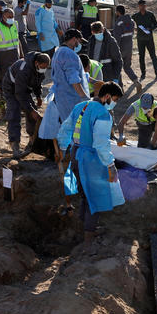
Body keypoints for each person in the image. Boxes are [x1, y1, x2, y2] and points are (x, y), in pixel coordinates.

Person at [57, 81, 125, 253]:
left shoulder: (80, 106)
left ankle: (87, 228)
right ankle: (88, 240)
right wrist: (110, 164)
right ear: (107, 96)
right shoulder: (103, 114)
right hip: (91, 160)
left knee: (84, 194)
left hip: (76, 154)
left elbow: (65, 129)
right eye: (115, 99)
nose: (114, 104)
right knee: (94, 197)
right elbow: (101, 143)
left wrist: (63, 150)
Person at [38, 29, 89, 140]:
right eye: (79, 41)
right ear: (74, 39)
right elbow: (74, 80)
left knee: (65, 126)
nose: (78, 45)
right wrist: (84, 98)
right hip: (71, 98)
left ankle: (65, 153)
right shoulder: (70, 55)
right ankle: (71, 155)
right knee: (74, 129)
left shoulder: (58, 51)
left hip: (61, 96)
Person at [3, 52, 50, 158]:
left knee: (32, 114)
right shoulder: (24, 69)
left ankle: (32, 141)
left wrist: (38, 96)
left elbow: (37, 82)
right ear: (36, 63)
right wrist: (30, 109)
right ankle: (15, 145)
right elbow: (19, 93)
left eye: (46, 67)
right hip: (11, 88)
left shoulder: (39, 68)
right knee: (14, 113)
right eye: (43, 67)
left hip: (24, 89)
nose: (44, 69)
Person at [0, 8, 22, 120]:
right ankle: (3, 112)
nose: (11, 19)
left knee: (17, 85)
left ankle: (16, 109)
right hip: (3, 61)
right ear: (3, 16)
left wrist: (22, 56)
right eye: (9, 17)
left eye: (12, 16)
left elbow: (18, 41)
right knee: (2, 87)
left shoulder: (15, 24)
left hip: (15, 59)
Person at [113, 5, 142, 92]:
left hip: (121, 48)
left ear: (118, 12)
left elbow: (117, 38)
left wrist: (114, 49)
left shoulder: (118, 22)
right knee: (127, 66)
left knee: (117, 67)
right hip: (129, 47)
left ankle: (120, 87)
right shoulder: (131, 21)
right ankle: (136, 81)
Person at [132, 0, 157, 80]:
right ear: (138, 6)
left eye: (144, 6)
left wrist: (150, 28)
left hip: (149, 39)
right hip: (140, 39)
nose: (142, 7)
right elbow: (130, 22)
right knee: (141, 57)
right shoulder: (135, 16)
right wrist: (134, 28)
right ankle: (143, 74)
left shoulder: (150, 14)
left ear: (146, 6)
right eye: (141, 6)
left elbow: (156, 24)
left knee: (153, 56)